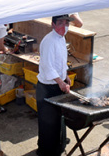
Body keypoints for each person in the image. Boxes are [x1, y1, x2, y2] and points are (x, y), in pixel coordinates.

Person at [36, 14, 72, 156]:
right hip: (47, 88)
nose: (64, 26)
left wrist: (65, 76)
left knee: (56, 119)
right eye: (60, 23)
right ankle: (45, 151)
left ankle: (57, 145)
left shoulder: (61, 38)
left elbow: (61, 62)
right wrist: (60, 82)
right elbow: (48, 66)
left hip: (56, 86)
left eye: (66, 23)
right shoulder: (49, 41)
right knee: (47, 123)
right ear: (53, 24)